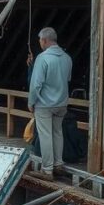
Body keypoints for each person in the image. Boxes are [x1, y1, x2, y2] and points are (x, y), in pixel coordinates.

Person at [28, 27, 72, 181]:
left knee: (45, 135)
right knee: (57, 132)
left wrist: (31, 102)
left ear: (45, 40)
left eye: (40, 40)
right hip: (61, 103)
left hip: (45, 104)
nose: (39, 43)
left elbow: (36, 85)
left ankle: (47, 170)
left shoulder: (43, 58)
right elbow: (67, 79)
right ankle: (58, 164)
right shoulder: (67, 58)